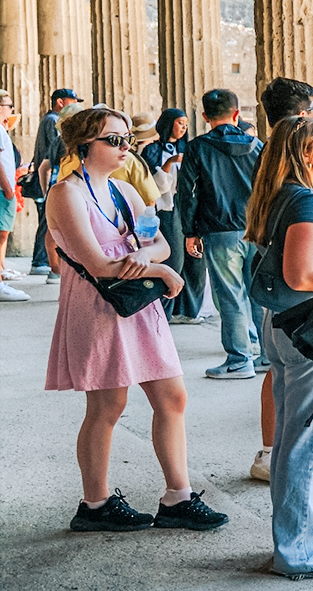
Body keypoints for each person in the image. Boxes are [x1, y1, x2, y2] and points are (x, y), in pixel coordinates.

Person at [46, 106, 228, 532]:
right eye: (114, 140)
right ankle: (95, 504)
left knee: (173, 397)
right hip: (97, 306)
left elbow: (159, 242)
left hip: (136, 306)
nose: (125, 147)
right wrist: (160, 270)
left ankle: (177, 497)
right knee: (108, 404)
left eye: (126, 139)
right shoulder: (65, 193)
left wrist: (148, 256)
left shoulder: (124, 191)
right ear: (83, 145)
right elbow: (96, 263)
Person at [245, 117, 313, 578]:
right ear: (308, 154)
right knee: (312, 441)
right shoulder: (308, 200)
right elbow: (302, 274)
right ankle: (304, 551)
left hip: (283, 323)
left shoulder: (282, 194)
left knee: (300, 437)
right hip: (311, 323)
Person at [175, 88, 264, 380]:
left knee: (229, 295)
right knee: (259, 294)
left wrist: (190, 231)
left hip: (220, 230)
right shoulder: (257, 146)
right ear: (237, 114)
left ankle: (239, 360)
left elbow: (187, 193)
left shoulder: (198, 147)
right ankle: (267, 355)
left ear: (204, 117)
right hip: (257, 229)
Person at [141, 108, 207, 322]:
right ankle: (164, 310)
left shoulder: (191, 148)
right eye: (180, 122)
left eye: (186, 123)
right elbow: (151, 185)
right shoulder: (151, 150)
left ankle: (187, 310)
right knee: (173, 259)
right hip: (167, 209)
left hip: (190, 206)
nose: (183, 127)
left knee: (195, 262)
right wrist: (169, 164)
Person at [27, 88, 79, 277]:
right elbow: (47, 163)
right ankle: (45, 262)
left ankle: (48, 264)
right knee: (52, 227)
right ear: (60, 102)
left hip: (54, 186)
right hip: (62, 186)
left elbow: (44, 166)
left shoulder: (49, 123)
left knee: (50, 224)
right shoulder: (53, 124)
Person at [0, 89, 25, 300]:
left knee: (3, 233)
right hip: (2, 189)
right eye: (9, 106)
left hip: (5, 187)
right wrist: (8, 188)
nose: (12, 110)